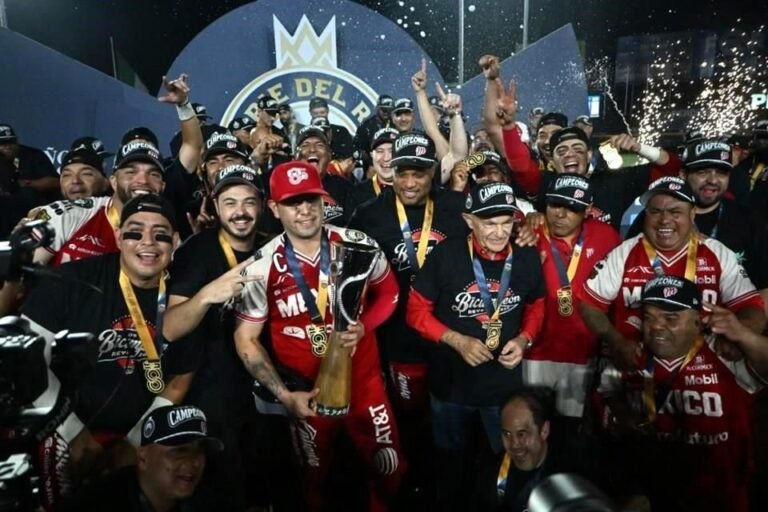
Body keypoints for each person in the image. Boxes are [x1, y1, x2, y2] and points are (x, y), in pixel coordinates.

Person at [233, 160, 405, 512]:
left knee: (390, 468)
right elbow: (246, 339)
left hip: (364, 385)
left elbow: (390, 292)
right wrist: (284, 396)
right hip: (306, 394)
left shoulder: (358, 244)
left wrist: (366, 325)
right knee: (313, 479)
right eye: (293, 202)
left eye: (311, 199)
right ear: (274, 208)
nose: (305, 210)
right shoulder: (260, 266)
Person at [22, 194, 197, 508]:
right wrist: (71, 432)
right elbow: (24, 359)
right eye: (135, 232)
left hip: (138, 438)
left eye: (160, 235)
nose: (147, 242)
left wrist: (136, 443)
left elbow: (180, 378)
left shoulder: (184, 298)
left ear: (174, 242)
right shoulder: (70, 280)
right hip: (62, 428)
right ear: (117, 237)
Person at [407, 181, 546, 512]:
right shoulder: (447, 254)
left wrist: (524, 338)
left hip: (503, 389)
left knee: (506, 463)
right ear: (470, 221)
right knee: (451, 464)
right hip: (451, 386)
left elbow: (537, 304)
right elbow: (415, 311)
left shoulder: (525, 254)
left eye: (506, 223)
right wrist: (457, 340)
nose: (499, 233)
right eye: (489, 223)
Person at [349, 131, 468, 502]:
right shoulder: (368, 214)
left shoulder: (458, 206)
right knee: (410, 417)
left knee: (451, 418)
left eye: (419, 173)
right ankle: (415, 490)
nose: (410, 182)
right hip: (399, 338)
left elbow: (504, 223)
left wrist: (531, 224)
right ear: (392, 172)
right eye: (403, 173)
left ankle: (452, 489)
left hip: (452, 335)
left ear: (433, 172)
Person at [597, 276, 768, 511]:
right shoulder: (629, 357)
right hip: (655, 495)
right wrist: (620, 415)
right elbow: (606, 393)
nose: (657, 326)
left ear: (697, 323)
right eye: (649, 317)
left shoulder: (724, 353)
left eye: (671, 318)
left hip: (720, 501)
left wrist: (743, 335)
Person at [163, 164, 273, 510]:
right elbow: (170, 327)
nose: (240, 212)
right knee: (221, 494)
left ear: (262, 204)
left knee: (267, 490)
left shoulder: (273, 247)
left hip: (267, 391)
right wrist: (207, 295)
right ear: (215, 206)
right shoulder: (197, 251)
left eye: (248, 202)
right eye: (229, 202)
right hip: (214, 394)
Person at [580, 176, 765, 370]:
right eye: (655, 212)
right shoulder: (624, 253)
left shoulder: (717, 253)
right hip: (635, 368)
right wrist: (616, 341)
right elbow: (589, 305)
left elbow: (752, 307)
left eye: (675, 212)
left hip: (702, 372)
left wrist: (739, 335)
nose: (664, 220)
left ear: (692, 214)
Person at [522, 174, 621, 420]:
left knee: (569, 428)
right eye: (555, 204)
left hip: (581, 355)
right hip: (533, 352)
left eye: (572, 208)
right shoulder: (528, 232)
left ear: (588, 210)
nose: (560, 214)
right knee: (533, 424)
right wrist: (524, 222)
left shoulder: (606, 236)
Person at [62, 405, 223, 512]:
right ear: (143, 458)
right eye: (180, 450)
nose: (194, 461)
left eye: (201, 450)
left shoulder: (209, 497)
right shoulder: (96, 503)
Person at [295, 125, 352, 226]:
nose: (312, 149)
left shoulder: (346, 188)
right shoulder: (285, 188)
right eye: (305, 145)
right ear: (296, 156)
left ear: (329, 155)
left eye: (319, 145)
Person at [346, 127, 398, 213]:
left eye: (392, 151)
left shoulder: (414, 189)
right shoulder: (357, 193)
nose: (386, 158)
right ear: (371, 155)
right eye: (380, 151)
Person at [0, 122, 60, 197]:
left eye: (11, 142)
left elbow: (55, 181)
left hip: (34, 200)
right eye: (2, 143)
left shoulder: (33, 155)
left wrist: (27, 184)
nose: (8, 146)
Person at [354, 94, 394, 161]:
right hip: (372, 162)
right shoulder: (366, 126)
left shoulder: (396, 125)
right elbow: (357, 148)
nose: (386, 112)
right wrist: (370, 160)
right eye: (384, 109)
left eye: (389, 110)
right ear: (377, 108)